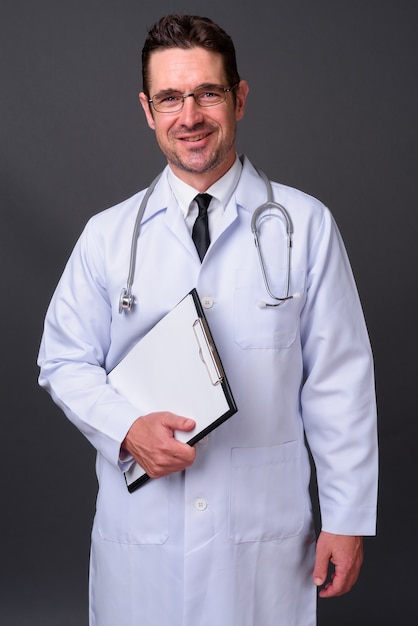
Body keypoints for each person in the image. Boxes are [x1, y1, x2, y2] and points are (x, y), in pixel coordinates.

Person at [38, 14, 378, 626]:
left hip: (261, 537)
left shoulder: (305, 225)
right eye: (170, 97)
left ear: (239, 98)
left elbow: (339, 380)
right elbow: (62, 359)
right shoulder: (107, 236)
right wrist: (124, 429)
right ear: (147, 109)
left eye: (208, 93)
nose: (189, 116)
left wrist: (347, 518)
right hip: (144, 538)